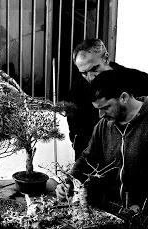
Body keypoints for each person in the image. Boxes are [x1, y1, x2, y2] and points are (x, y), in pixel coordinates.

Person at [53, 69, 148, 210]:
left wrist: (142, 206)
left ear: (123, 97)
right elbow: (87, 158)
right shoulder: (104, 126)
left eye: (105, 107)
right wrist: (69, 181)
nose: (100, 115)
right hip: (113, 212)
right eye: (98, 109)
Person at [66, 38, 148, 160]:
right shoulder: (77, 88)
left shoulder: (138, 80)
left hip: (133, 158)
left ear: (106, 58)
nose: (90, 77)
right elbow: (74, 126)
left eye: (94, 69)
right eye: (84, 73)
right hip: (91, 157)